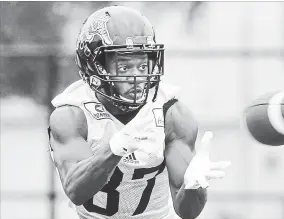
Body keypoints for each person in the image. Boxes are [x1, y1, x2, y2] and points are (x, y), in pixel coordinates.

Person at [48, 5, 231, 219]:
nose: (137, 78)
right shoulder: (72, 116)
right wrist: (115, 149)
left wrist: (193, 186)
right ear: (95, 67)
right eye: (124, 67)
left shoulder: (172, 115)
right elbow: (76, 192)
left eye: (143, 67)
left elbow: (187, 212)